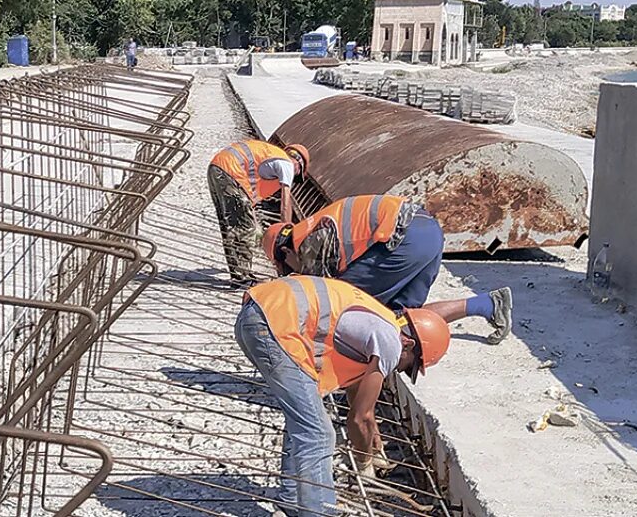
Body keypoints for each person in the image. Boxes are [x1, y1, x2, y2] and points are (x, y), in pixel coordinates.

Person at [237, 275, 450, 516]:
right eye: (410, 365)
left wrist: (372, 436)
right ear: (409, 345)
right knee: (318, 434)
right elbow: (359, 417)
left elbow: (358, 399)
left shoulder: (380, 321)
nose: (401, 370)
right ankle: (319, 512)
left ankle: (291, 500)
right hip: (274, 325)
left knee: (304, 420)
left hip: (258, 315)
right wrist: (364, 463)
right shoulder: (391, 342)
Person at [261, 194, 512, 344]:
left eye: (286, 269)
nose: (292, 273)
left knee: (347, 308)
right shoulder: (315, 225)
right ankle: (487, 304)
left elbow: (321, 301)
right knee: (401, 317)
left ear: (285, 253)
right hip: (429, 233)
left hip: (406, 240)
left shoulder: (308, 243)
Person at [208, 140, 310, 284]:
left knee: (230, 226)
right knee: (246, 228)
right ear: (298, 163)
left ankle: (237, 273)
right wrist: (286, 234)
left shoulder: (271, 157)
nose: (294, 178)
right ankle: (242, 277)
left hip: (217, 168)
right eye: (298, 174)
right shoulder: (287, 164)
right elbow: (285, 203)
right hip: (231, 172)